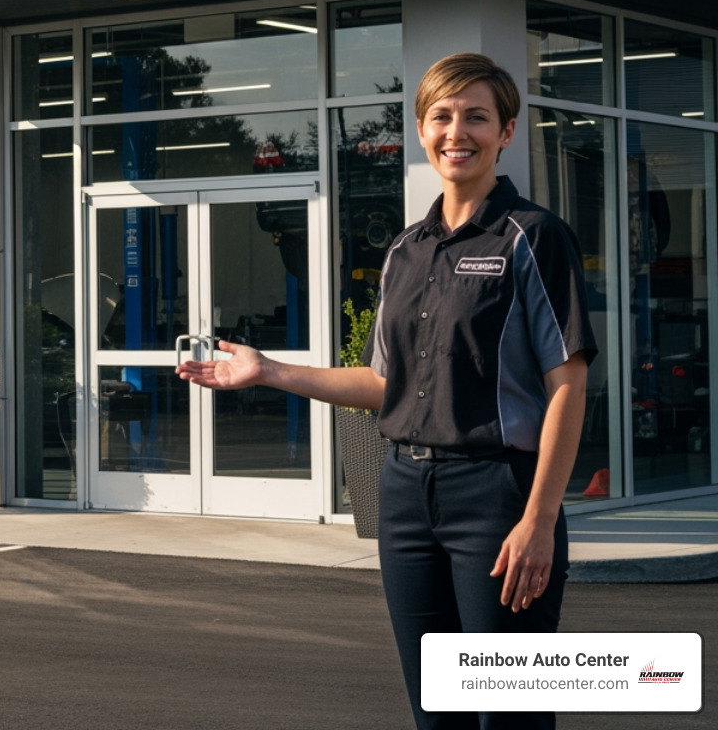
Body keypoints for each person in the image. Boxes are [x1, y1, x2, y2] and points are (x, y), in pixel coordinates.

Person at [177, 53, 595, 730]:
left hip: (497, 494)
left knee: (508, 716)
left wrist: (540, 520)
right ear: (422, 130)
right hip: (404, 495)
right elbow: (383, 384)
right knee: (437, 713)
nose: (457, 132)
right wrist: (270, 371)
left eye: (476, 117)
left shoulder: (533, 236)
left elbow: (568, 387)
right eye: (442, 116)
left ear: (507, 131)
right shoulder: (405, 251)